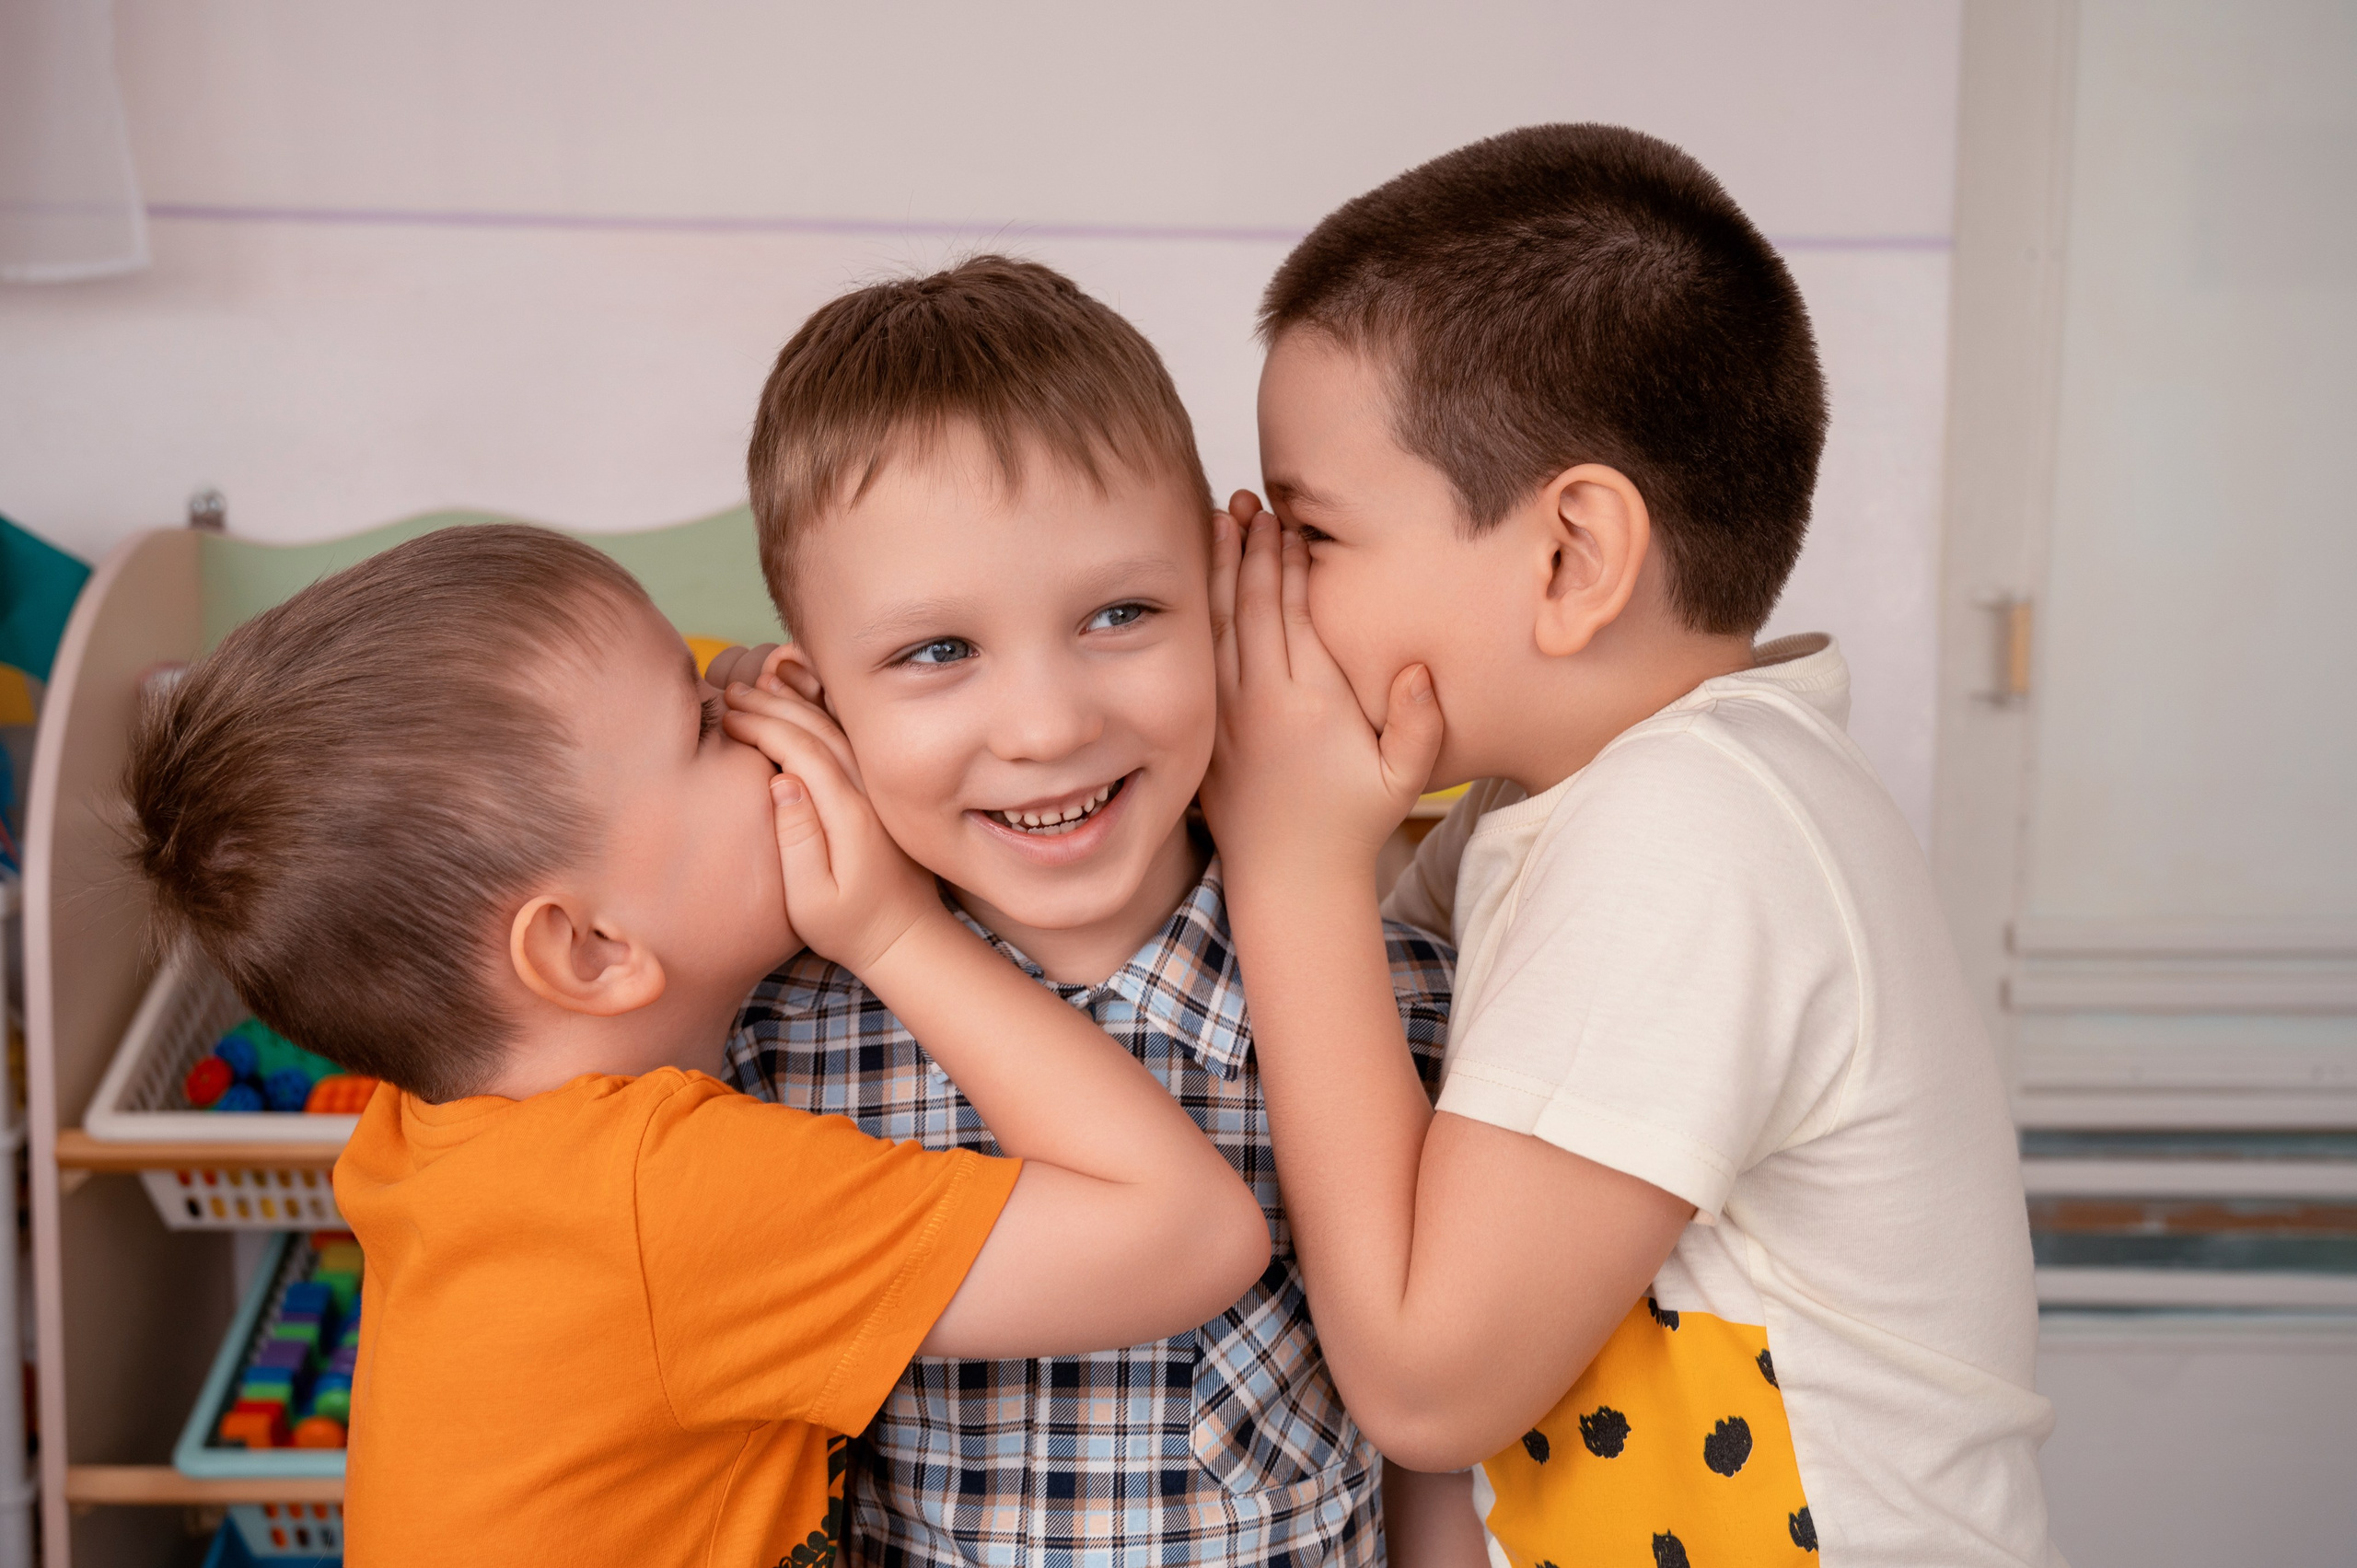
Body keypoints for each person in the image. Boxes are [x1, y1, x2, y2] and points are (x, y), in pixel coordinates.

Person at [1202, 124, 2060, 1567]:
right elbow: (1325, 1059)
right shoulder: (1551, 809)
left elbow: (1425, 1378)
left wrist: (1290, 858)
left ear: (1571, 556)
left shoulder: (1695, 828)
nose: (1268, 584)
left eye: (1314, 531)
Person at [122, 523, 1271, 1565]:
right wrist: (896, 930)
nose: (762, 722)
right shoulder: (659, 1202)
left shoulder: (444, 1128)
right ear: (588, 948)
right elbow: (1189, 1233)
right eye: (706, 720)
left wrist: (732, 713)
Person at [712, 255, 1458, 1567]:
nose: (1050, 724)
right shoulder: (769, 1051)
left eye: (1122, 612)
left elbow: (1436, 1453)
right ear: (814, 698)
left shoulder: (1398, 1002)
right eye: (936, 651)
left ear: (1226, 599)